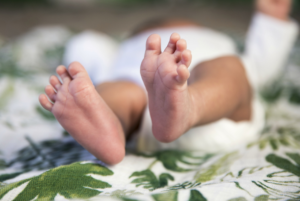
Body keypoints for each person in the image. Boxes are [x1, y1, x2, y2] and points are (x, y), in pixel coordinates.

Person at [39, 0, 299, 165]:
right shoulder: (124, 53)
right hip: (208, 120)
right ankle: (109, 130)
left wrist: (81, 49)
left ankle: (182, 107)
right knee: (231, 70)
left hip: (208, 113)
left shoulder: (219, 48)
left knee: (121, 90)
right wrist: (271, 20)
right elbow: (262, 59)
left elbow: (89, 47)